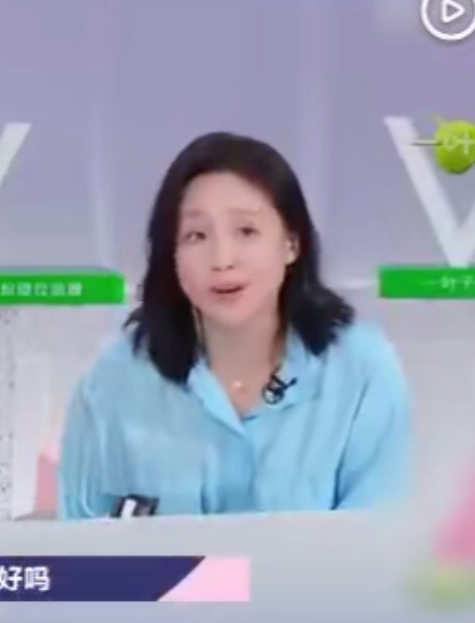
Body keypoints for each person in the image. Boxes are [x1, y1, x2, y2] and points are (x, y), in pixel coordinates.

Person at [58, 132, 411, 518]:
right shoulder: (112, 385)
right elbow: (81, 544)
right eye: (196, 236)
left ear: (291, 244)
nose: (222, 259)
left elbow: (375, 540)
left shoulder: (362, 372)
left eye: (246, 231)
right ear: (171, 254)